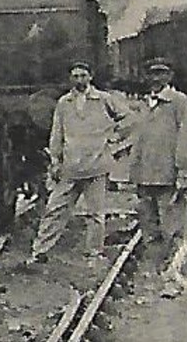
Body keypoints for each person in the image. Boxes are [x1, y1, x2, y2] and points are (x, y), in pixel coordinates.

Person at [27, 61, 128, 266]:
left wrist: (115, 141)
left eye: (83, 75)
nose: (79, 79)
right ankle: (40, 251)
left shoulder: (103, 99)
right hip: (70, 167)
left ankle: (94, 253)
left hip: (96, 165)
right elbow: (57, 134)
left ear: (90, 77)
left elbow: (129, 119)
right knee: (54, 210)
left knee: (96, 214)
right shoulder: (64, 103)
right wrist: (55, 160)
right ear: (70, 79)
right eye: (75, 76)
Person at [127, 58, 187, 275]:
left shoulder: (179, 102)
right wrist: (133, 173)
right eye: (152, 73)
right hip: (145, 175)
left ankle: (174, 269)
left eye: (162, 73)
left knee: (172, 225)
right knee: (149, 224)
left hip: (169, 175)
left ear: (170, 76)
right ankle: (155, 267)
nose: (156, 78)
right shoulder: (144, 104)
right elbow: (138, 140)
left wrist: (184, 172)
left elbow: (186, 139)